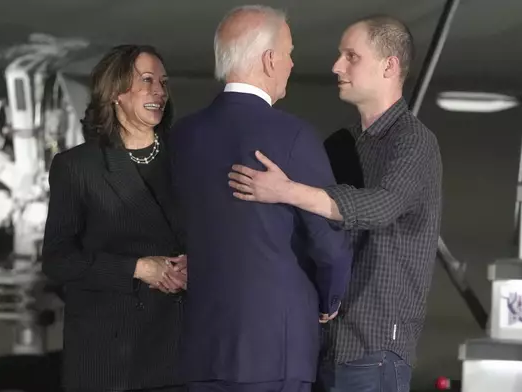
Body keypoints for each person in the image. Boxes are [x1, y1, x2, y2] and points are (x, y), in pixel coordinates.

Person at [228, 15, 442, 392]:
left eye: (351, 56)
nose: (336, 66)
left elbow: (380, 207)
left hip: (375, 351)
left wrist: (285, 190)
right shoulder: (342, 143)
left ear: (389, 65)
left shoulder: (414, 142)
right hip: (325, 348)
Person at [168, 5, 353, 392]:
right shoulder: (294, 137)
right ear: (269, 60)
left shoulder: (183, 136)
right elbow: (327, 244)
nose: (291, 62)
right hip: (275, 351)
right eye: (288, 52)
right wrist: (330, 299)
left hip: (201, 350)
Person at [41, 44, 188, 392]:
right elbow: (58, 260)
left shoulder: (188, 156)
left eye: (163, 83)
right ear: (116, 92)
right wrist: (138, 268)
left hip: (182, 350)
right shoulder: (77, 167)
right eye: (147, 80)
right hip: (110, 358)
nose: (159, 92)